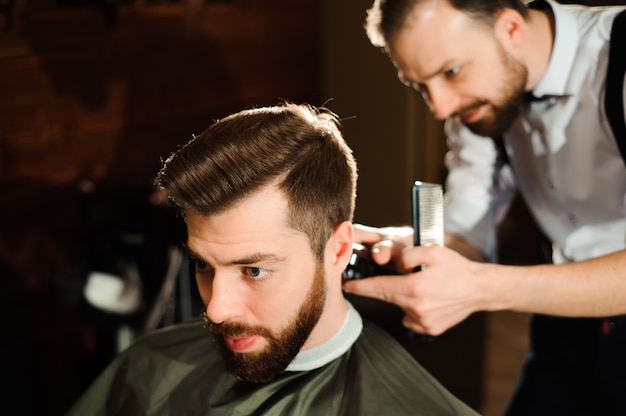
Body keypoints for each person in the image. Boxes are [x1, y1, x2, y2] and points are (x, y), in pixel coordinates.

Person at [65, 103, 478, 415]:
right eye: (204, 265)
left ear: (337, 250)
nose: (216, 308)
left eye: (254, 270)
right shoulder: (148, 365)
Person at [342, 0, 626, 414]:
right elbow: (468, 227)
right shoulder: (476, 102)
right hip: (563, 316)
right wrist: (419, 249)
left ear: (511, 28)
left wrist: (483, 287)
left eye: (451, 71)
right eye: (421, 85)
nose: (440, 107)